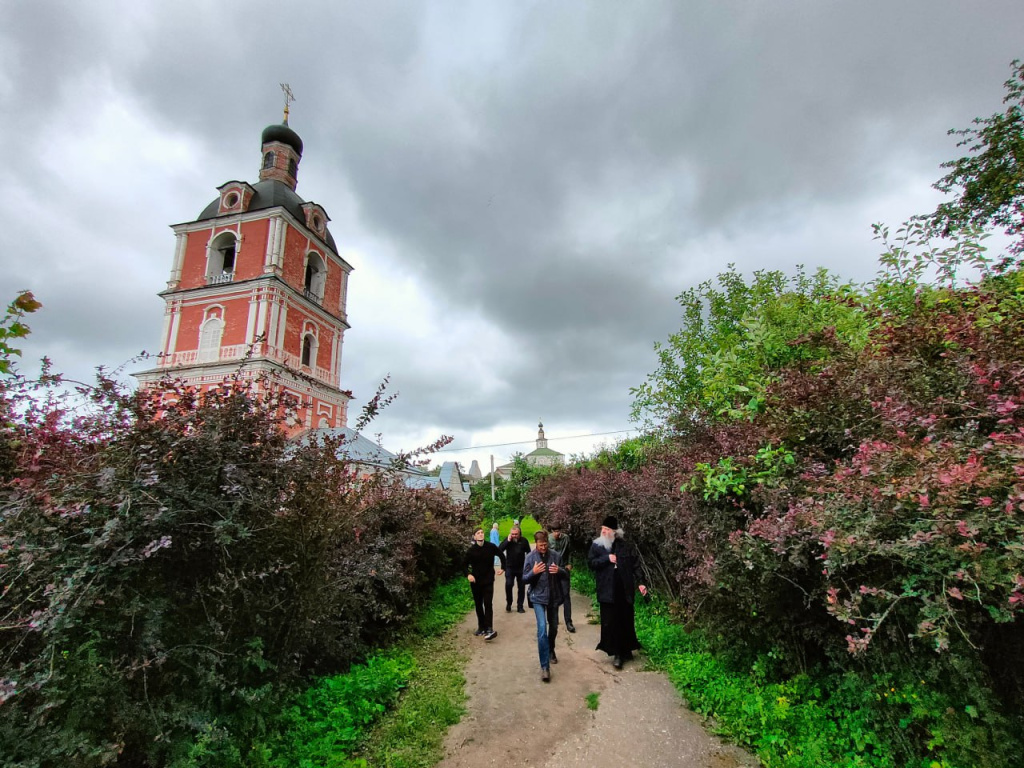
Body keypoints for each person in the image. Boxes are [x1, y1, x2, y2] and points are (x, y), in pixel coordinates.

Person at [588, 515, 648, 670]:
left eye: (607, 529)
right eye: (602, 529)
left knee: (625, 620)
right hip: (607, 590)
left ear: (614, 532)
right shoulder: (597, 546)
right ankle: (617, 654)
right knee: (611, 622)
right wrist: (606, 559)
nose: (603, 532)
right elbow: (591, 564)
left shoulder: (625, 546)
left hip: (623, 589)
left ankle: (626, 649)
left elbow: (635, 565)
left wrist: (641, 583)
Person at [523, 530, 569, 682]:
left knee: (554, 627)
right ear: (536, 544)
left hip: (554, 597)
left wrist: (559, 570)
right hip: (537, 597)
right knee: (542, 628)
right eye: (541, 545)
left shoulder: (555, 556)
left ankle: (551, 649)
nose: (543, 547)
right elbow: (524, 579)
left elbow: (566, 574)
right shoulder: (530, 558)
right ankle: (545, 667)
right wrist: (533, 572)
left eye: (545, 545)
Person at [465, 527, 505, 640]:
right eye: (478, 533)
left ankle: (489, 628)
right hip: (476, 581)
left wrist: (503, 568)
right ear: (474, 536)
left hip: (488, 580)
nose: (481, 534)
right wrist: (468, 574)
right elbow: (463, 565)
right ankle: (481, 627)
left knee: (488, 604)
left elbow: (502, 556)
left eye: (482, 532)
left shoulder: (491, 547)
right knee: (478, 604)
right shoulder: (471, 550)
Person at [548, 523, 575, 632]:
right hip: (553, 569)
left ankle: (568, 622)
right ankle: (553, 619)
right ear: (552, 531)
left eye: (558, 531)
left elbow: (570, 551)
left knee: (566, 595)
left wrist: (570, 563)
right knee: (553, 595)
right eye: (555, 531)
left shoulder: (566, 538)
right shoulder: (549, 539)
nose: (557, 533)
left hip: (564, 569)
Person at [498, 526, 532, 613]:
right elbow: (499, 549)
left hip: (521, 567)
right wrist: (507, 541)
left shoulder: (524, 541)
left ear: (519, 533)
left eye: (516, 534)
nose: (514, 536)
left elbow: (529, 553)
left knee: (521, 587)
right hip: (509, 567)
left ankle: (520, 606)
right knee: (509, 584)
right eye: (512, 534)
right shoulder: (508, 540)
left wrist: (529, 566)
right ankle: (509, 602)